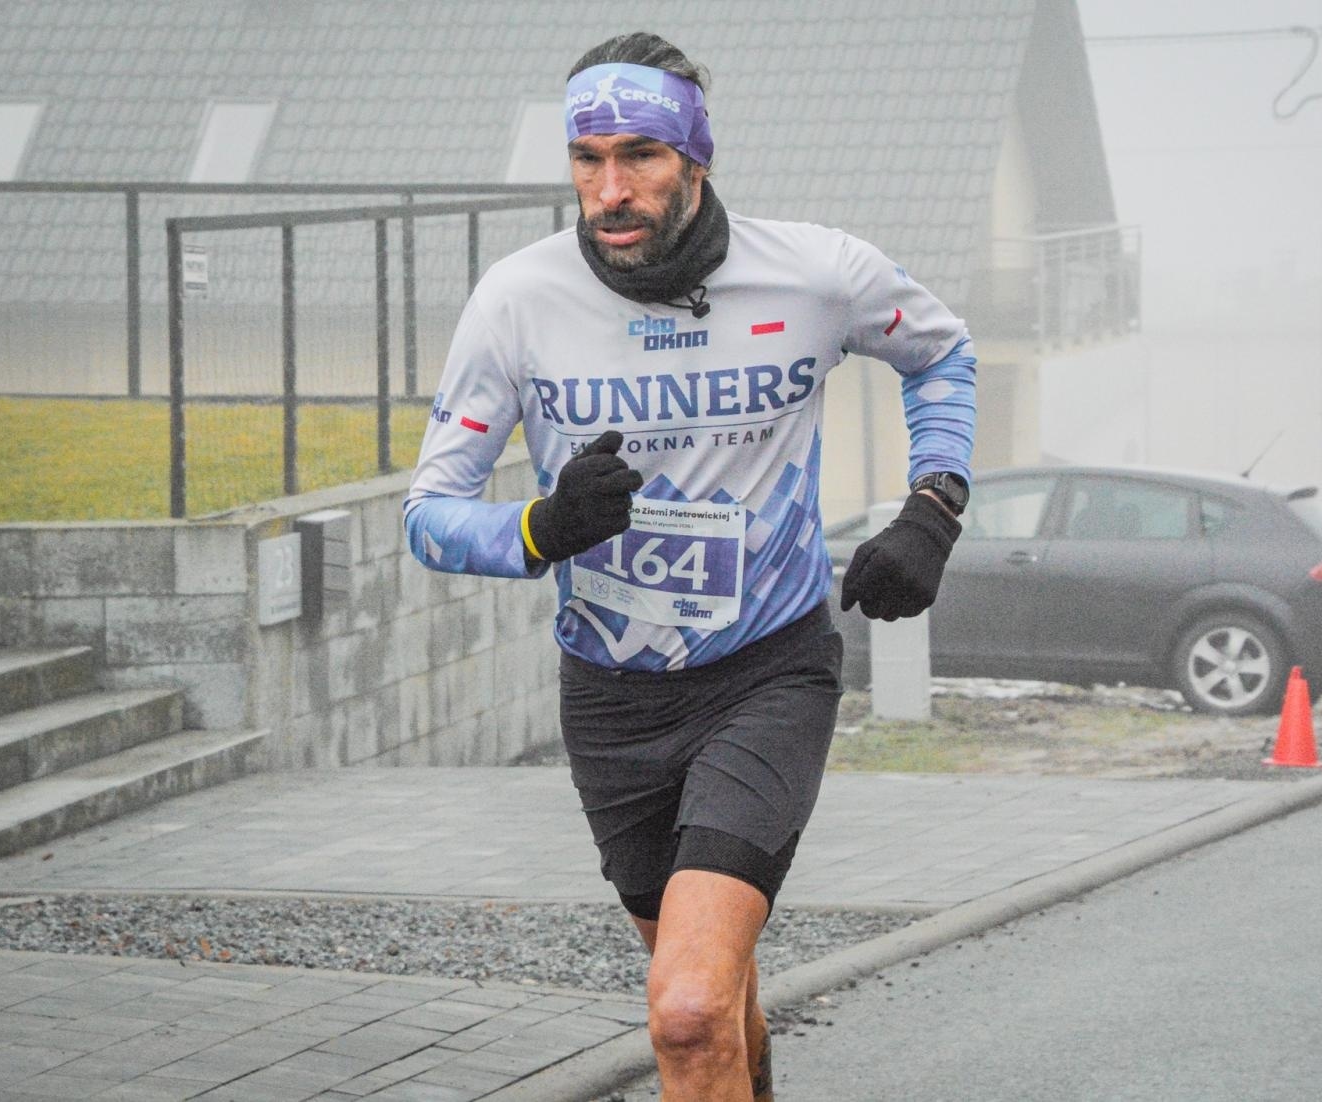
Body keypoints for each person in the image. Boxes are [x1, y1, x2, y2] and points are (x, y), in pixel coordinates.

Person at [404, 31, 976, 1099]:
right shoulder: (517, 299)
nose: (610, 189)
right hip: (612, 701)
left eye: (640, 157)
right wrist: (539, 528)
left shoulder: (812, 272)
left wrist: (932, 507)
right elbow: (429, 514)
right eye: (588, 161)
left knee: (682, 1010)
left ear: (697, 161)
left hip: (765, 671)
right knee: (707, 995)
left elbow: (941, 352)